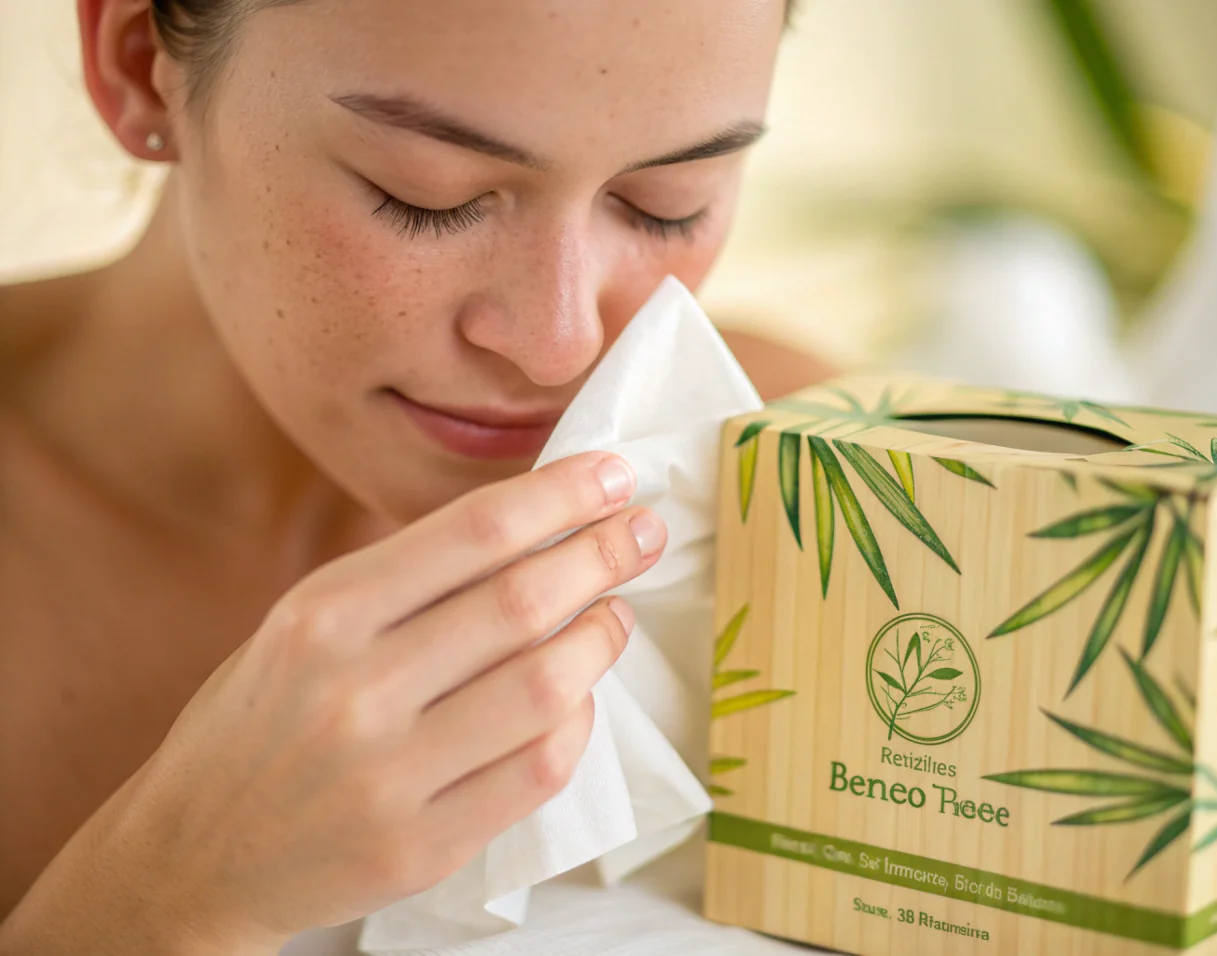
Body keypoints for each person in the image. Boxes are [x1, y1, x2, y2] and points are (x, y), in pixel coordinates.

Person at [0, 1, 834, 952]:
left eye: (668, 202)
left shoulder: (812, 485)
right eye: (426, 195)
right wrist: (163, 892)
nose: (559, 347)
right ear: (141, 61)